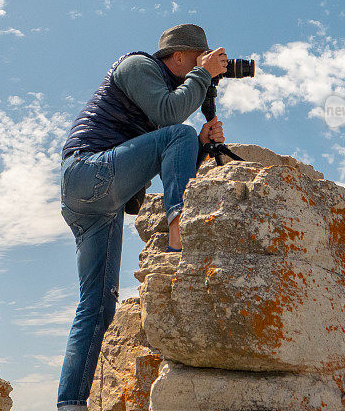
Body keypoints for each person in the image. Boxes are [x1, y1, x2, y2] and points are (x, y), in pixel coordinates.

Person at [56, 23, 226, 409]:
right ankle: (178, 236)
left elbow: (164, 151)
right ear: (180, 55)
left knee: (97, 305)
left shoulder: (160, 91)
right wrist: (203, 76)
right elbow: (171, 117)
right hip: (88, 171)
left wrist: (200, 146)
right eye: (198, 60)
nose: (204, 66)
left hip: (97, 201)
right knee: (180, 132)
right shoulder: (137, 66)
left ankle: (70, 404)